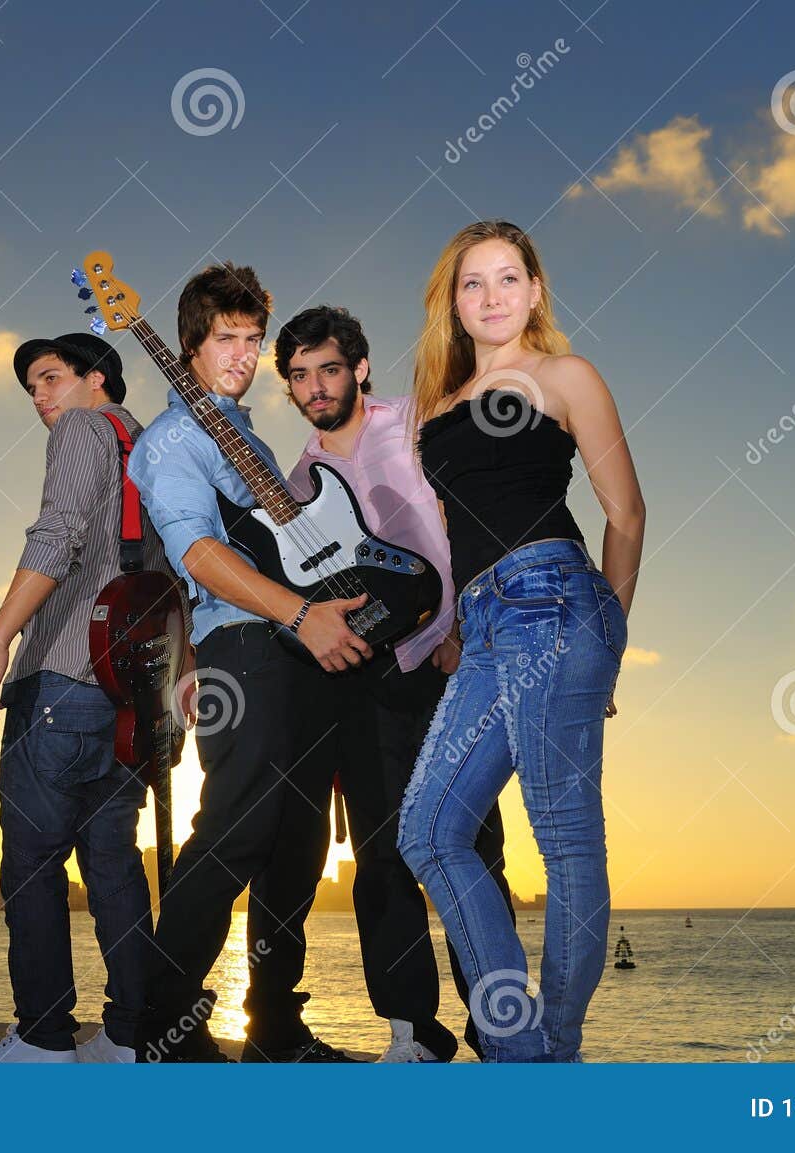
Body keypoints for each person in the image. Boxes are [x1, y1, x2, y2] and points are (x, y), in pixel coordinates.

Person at [398, 220, 646, 1062]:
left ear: (535, 291)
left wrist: (609, 637)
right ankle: (521, 1047)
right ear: (453, 301)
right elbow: (453, 533)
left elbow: (626, 512)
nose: (492, 295)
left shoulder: (564, 375)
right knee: (428, 830)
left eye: (508, 277)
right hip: (483, 625)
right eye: (473, 282)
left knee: (564, 837)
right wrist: (452, 627)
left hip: (557, 598)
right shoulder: (435, 408)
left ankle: (552, 1052)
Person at [127, 263, 364, 1062]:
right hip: (244, 645)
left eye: (253, 338)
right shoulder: (169, 443)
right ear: (190, 345)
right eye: (226, 337)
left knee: (298, 841)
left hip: (303, 647)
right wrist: (297, 612)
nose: (242, 353)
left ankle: (275, 1026)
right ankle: (162, 1020)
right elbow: (197, 552)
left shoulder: (248, 437)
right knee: (236, 827)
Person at [278, 304, 516, 1062]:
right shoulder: (297, 483)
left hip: (451, 659)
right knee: (381, 857)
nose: (316, 387)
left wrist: (463, 629)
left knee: (475, 847)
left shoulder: (419, 421)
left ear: (360, 368)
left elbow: (473, 516)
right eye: (300, 376)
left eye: (328, 369)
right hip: (366, 681)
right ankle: (414, 1034)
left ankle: (501, 1026)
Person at [0, 333, 168, 1064]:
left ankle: (44, 1042)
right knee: (112, 864)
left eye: (50, 378)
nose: (41, 398)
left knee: (33, 865)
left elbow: (57, 535)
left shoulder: (82, 428)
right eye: (32, 389)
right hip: (132, 696)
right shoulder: (154, 446)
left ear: (96, 378)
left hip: (64, 679)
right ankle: (130, 1038)